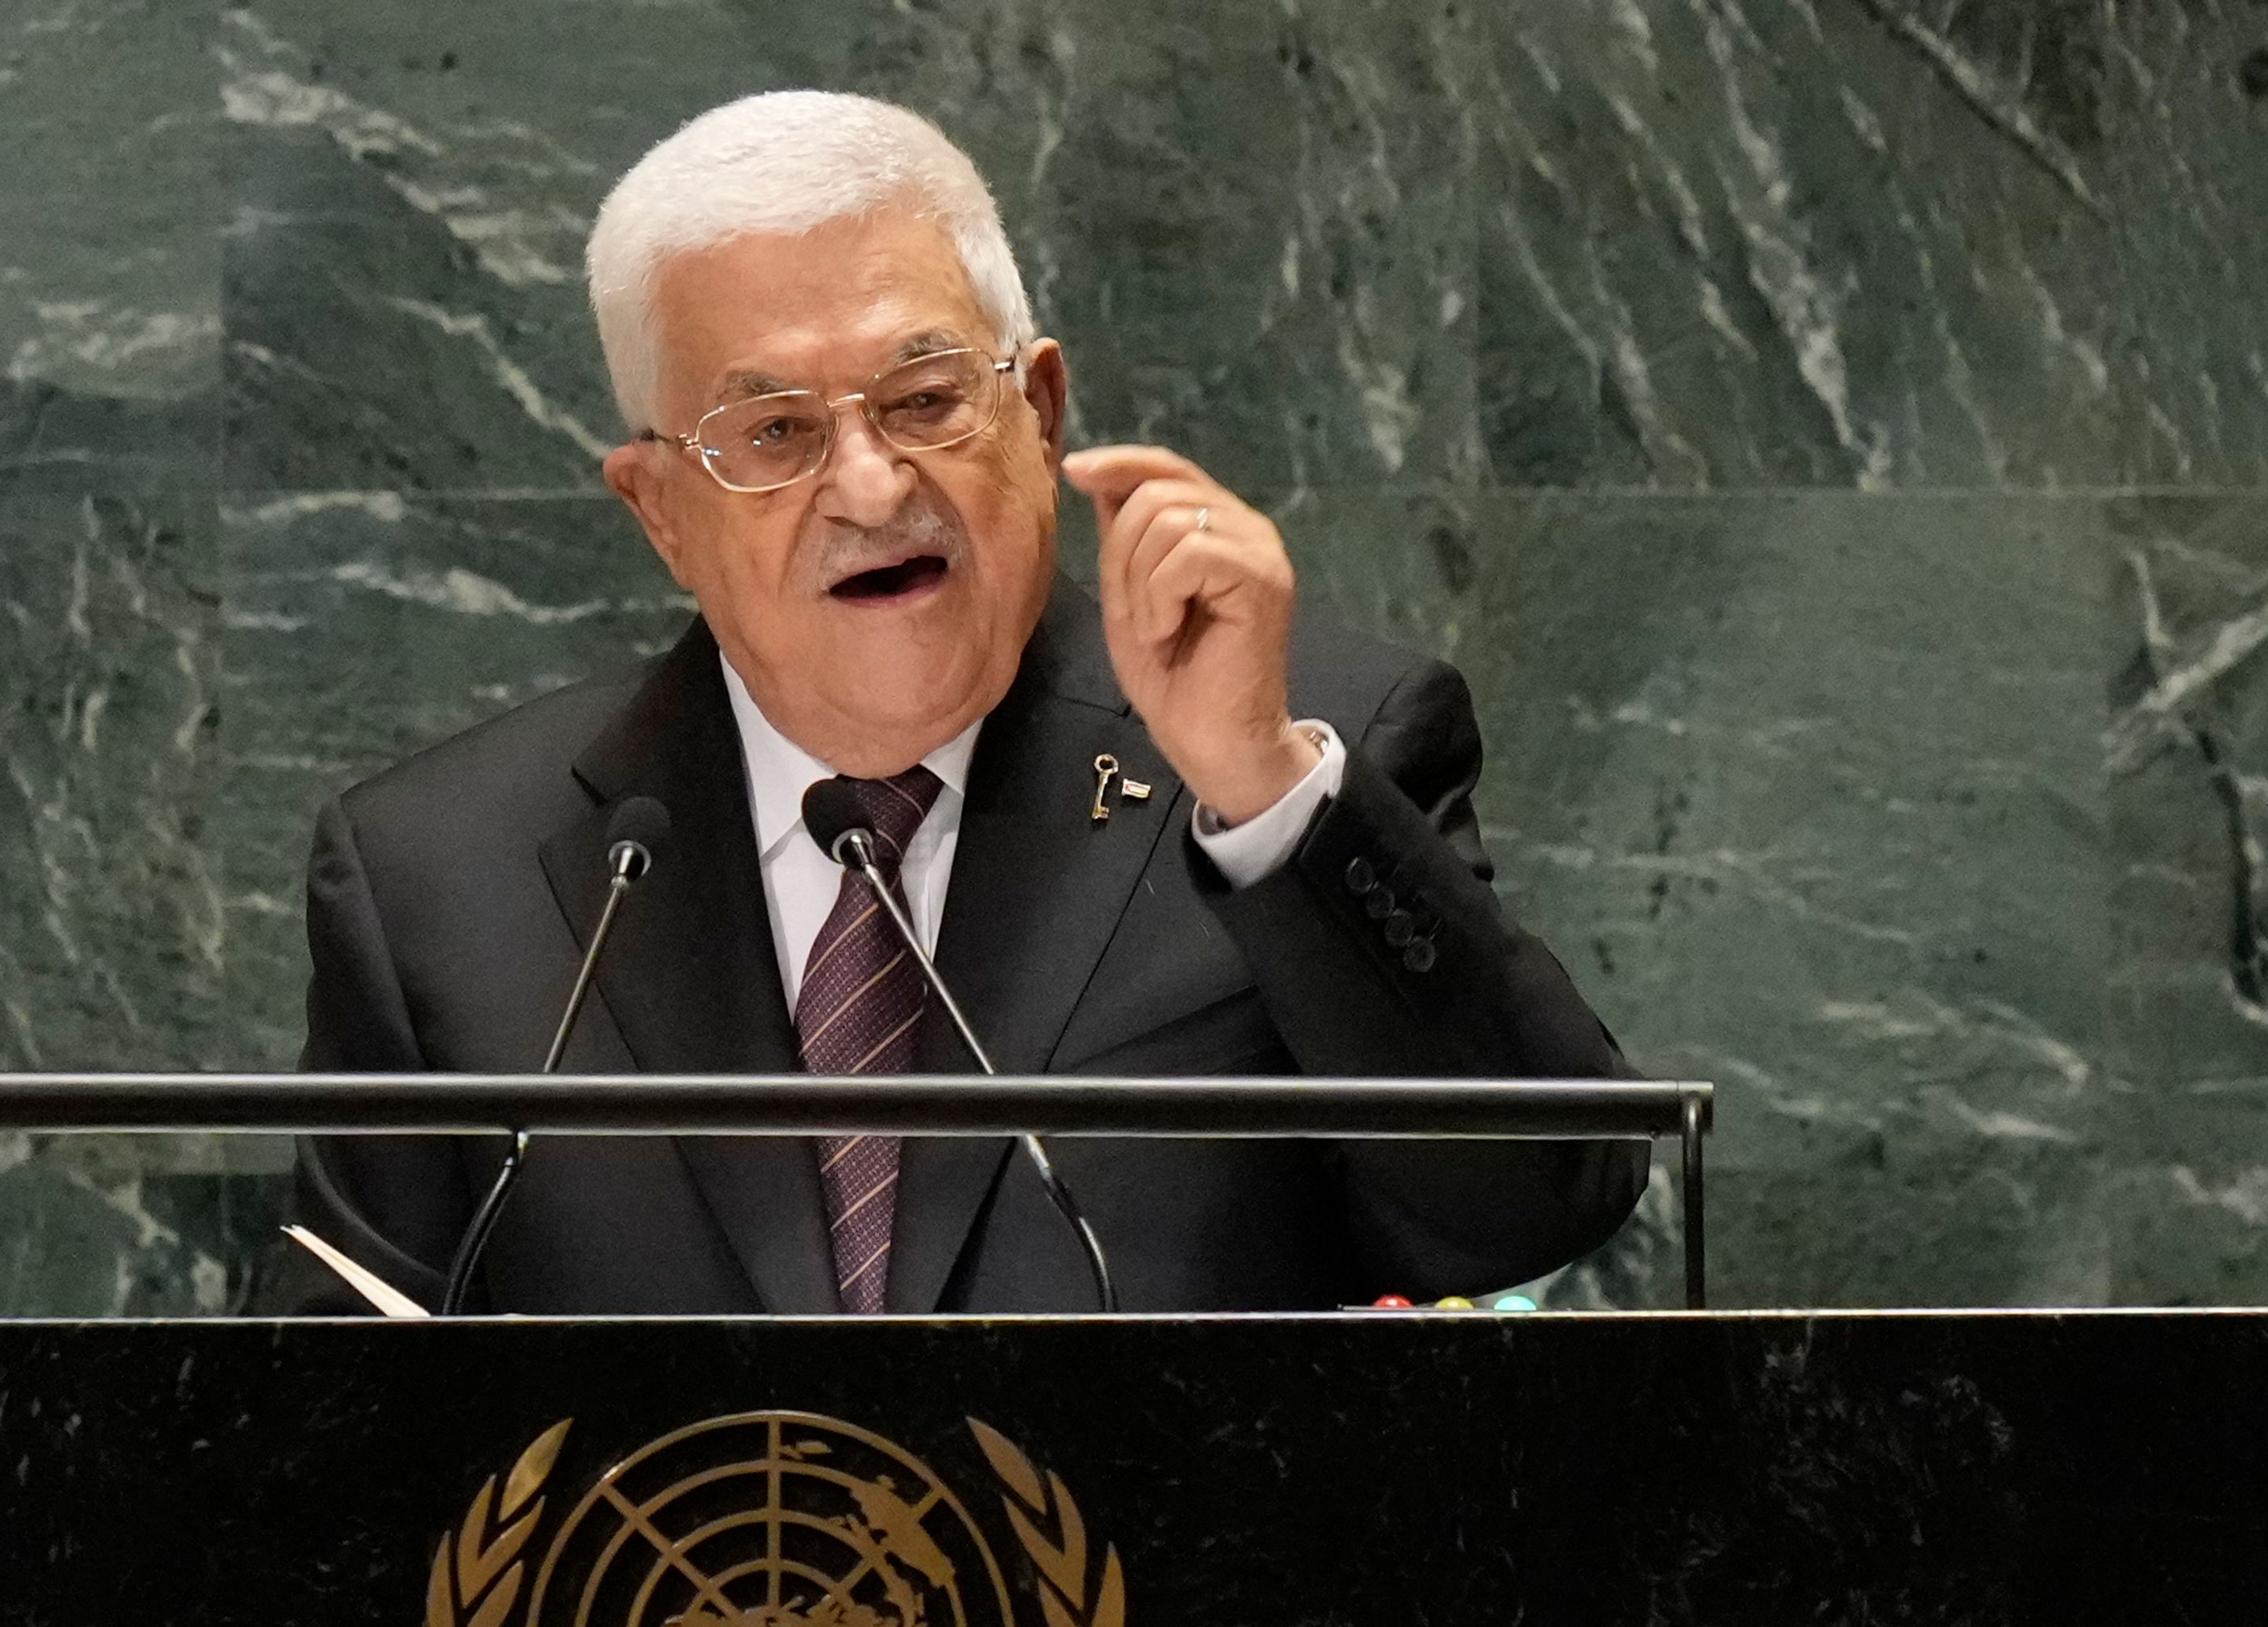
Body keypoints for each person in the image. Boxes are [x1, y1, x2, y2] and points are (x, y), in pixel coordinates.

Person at [288, 90, 1644, 1316]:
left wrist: (1266, 793)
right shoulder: (442, 881)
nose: (872, 489)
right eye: (773, 435)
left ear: (1041, 415)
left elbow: (1536, 1202)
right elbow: (303, 1441)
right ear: (660, 511)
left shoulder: (1298, 757)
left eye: (927, 398)